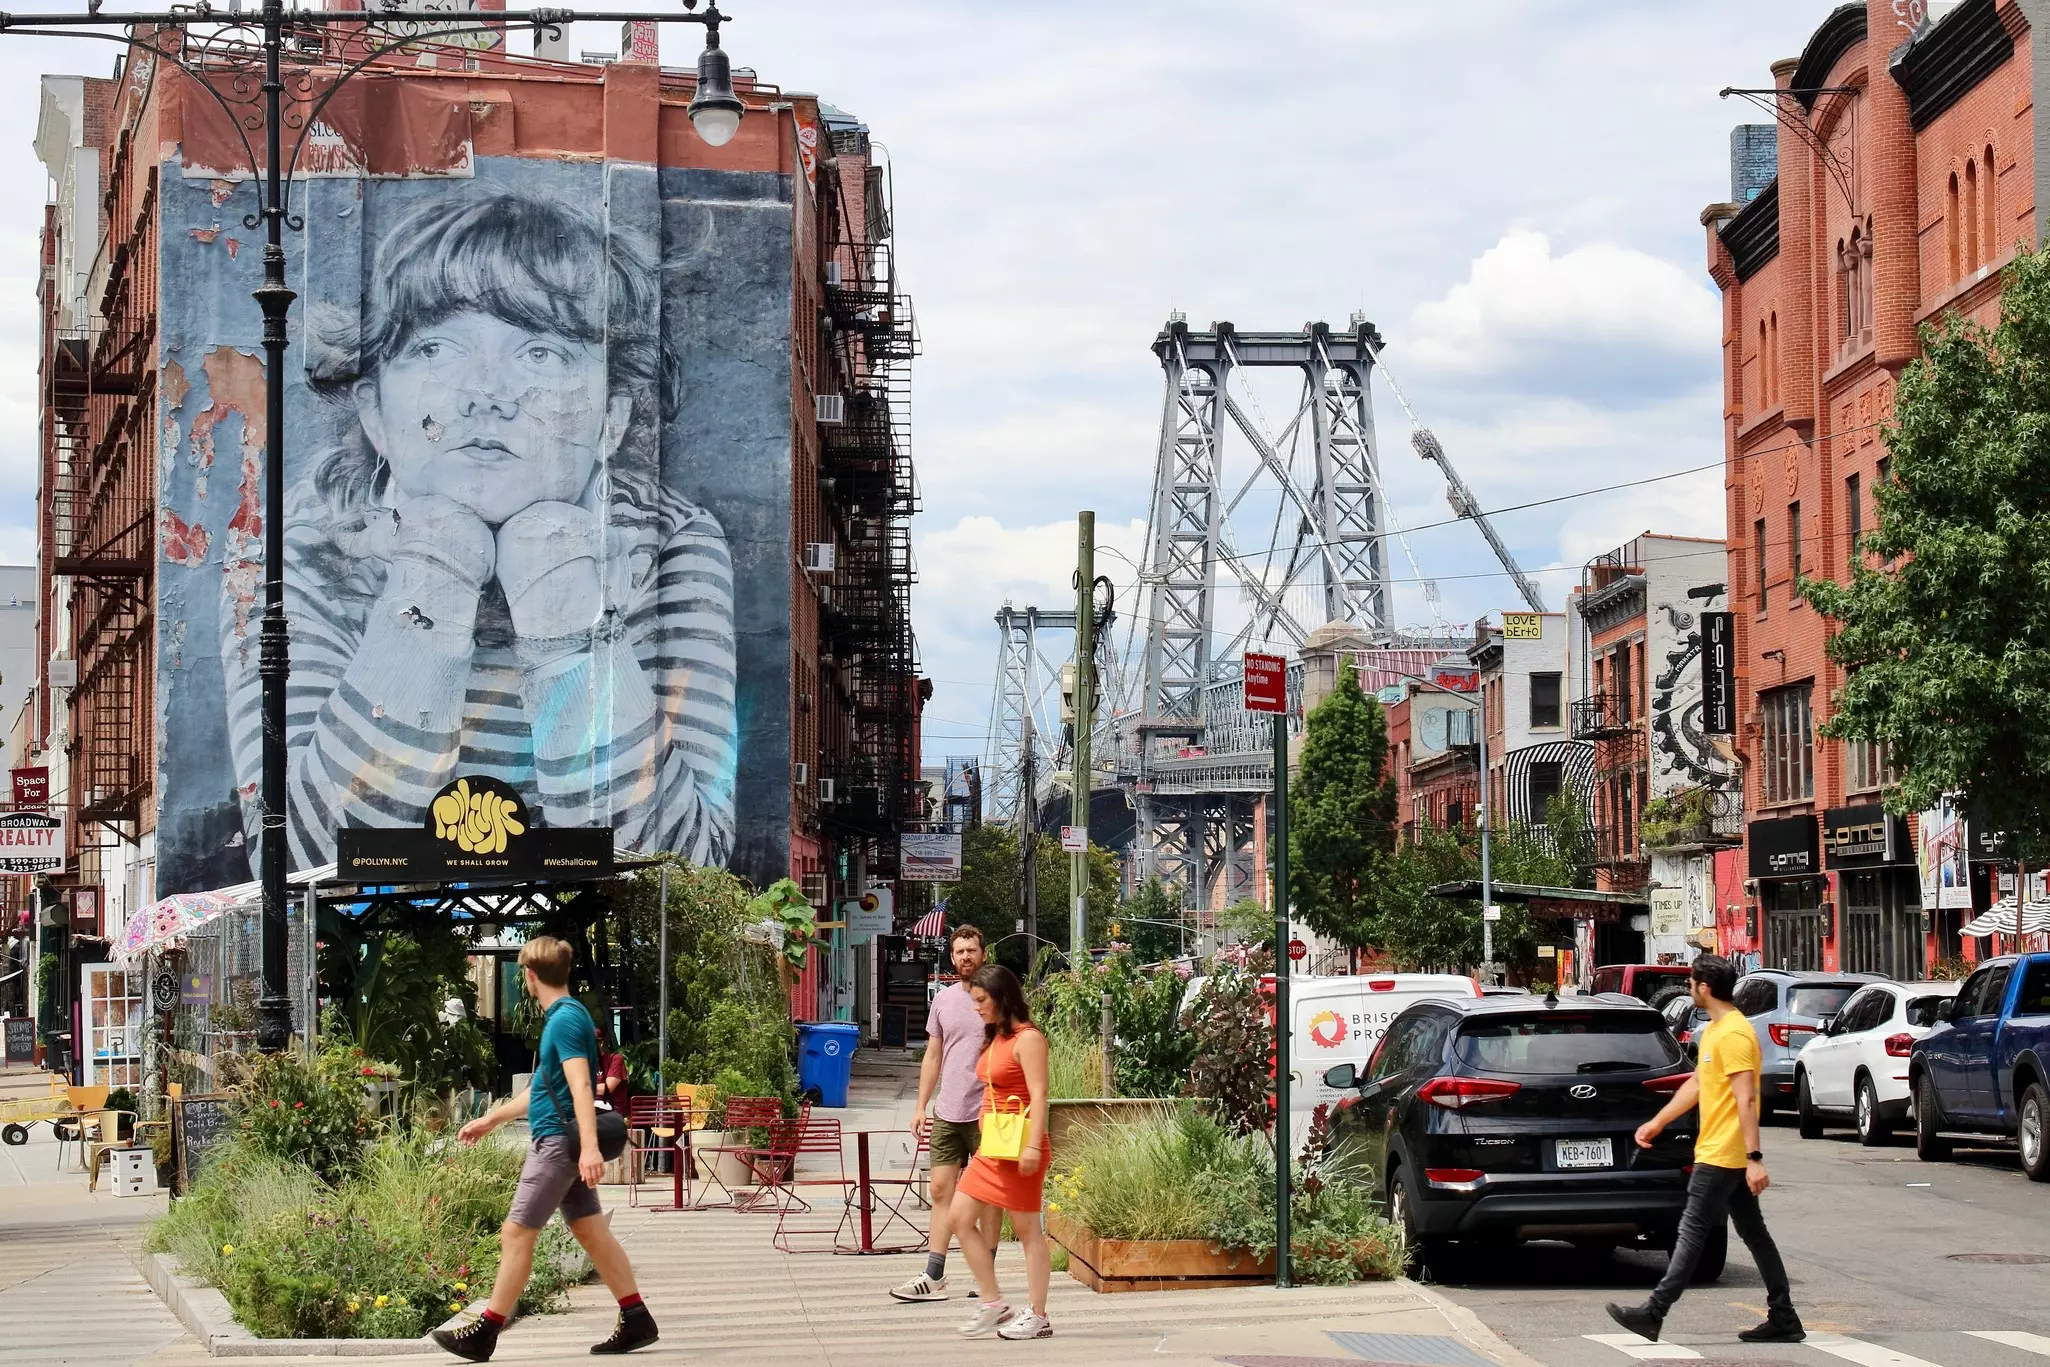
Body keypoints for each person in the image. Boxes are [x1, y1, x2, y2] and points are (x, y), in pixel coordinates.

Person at [221, 191, 738, 874]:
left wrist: (564, 619)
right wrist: (433, 577)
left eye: (541, 353)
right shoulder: (293, 549)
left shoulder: (671, 544)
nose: (485, 394)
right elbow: (297, 864)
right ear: (374, 413)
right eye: (436, 348)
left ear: (611, 421)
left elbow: (687, 877)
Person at [433, 937, 658, 1361]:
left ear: (530, 976)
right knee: (590, 1230)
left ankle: (485, 1332)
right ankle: (636, 1318)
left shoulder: (564, 1021)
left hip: (556, 1143)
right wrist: (491, 1120)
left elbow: (580, 1086)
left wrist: (589, 1148)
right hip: (562, 1139)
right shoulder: (567, 1015)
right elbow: (542, 1088)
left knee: (517, 1231)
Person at [1607, 953, 1803, 1344]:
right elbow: (1697, 1084)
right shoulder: (1714, 1030)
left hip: (1723, 1155)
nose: (1689, 987)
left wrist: (1754, 1159)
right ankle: (1783, 1316)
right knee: (1755, 1234)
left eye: (1692, 981)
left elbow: (1746, 1099)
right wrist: (1658, 1122)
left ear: (1706, 987)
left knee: (1692, 1232)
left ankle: (1653, 1313)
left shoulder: (1735, 1034)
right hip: (1722, 1153)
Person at [888, 926, 999, 1303]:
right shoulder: (943, 1001)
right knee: (939, 1189)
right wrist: (920, 1105)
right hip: (949, 1110)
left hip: (987, 1112)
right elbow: (933, 1055)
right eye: (959, 951)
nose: (966, 956)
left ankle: (986, 1272)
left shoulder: (998, 997)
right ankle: (933, 1274)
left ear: (983, 954)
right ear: (951, 958)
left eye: (972, 950)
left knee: (988, 1195)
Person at [949, 963, 1053, 1340]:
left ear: (1001, 997)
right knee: (959, 1218)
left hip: (1021, 1146)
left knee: (1027, 1231)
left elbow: (1039, 1095)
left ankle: (1038, 1315)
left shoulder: (1029, 1039)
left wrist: (1032, 1146)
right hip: (993, 1147)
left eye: (981, 1000)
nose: (976, 1007)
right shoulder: (996, 1037)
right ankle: (992, 1302)